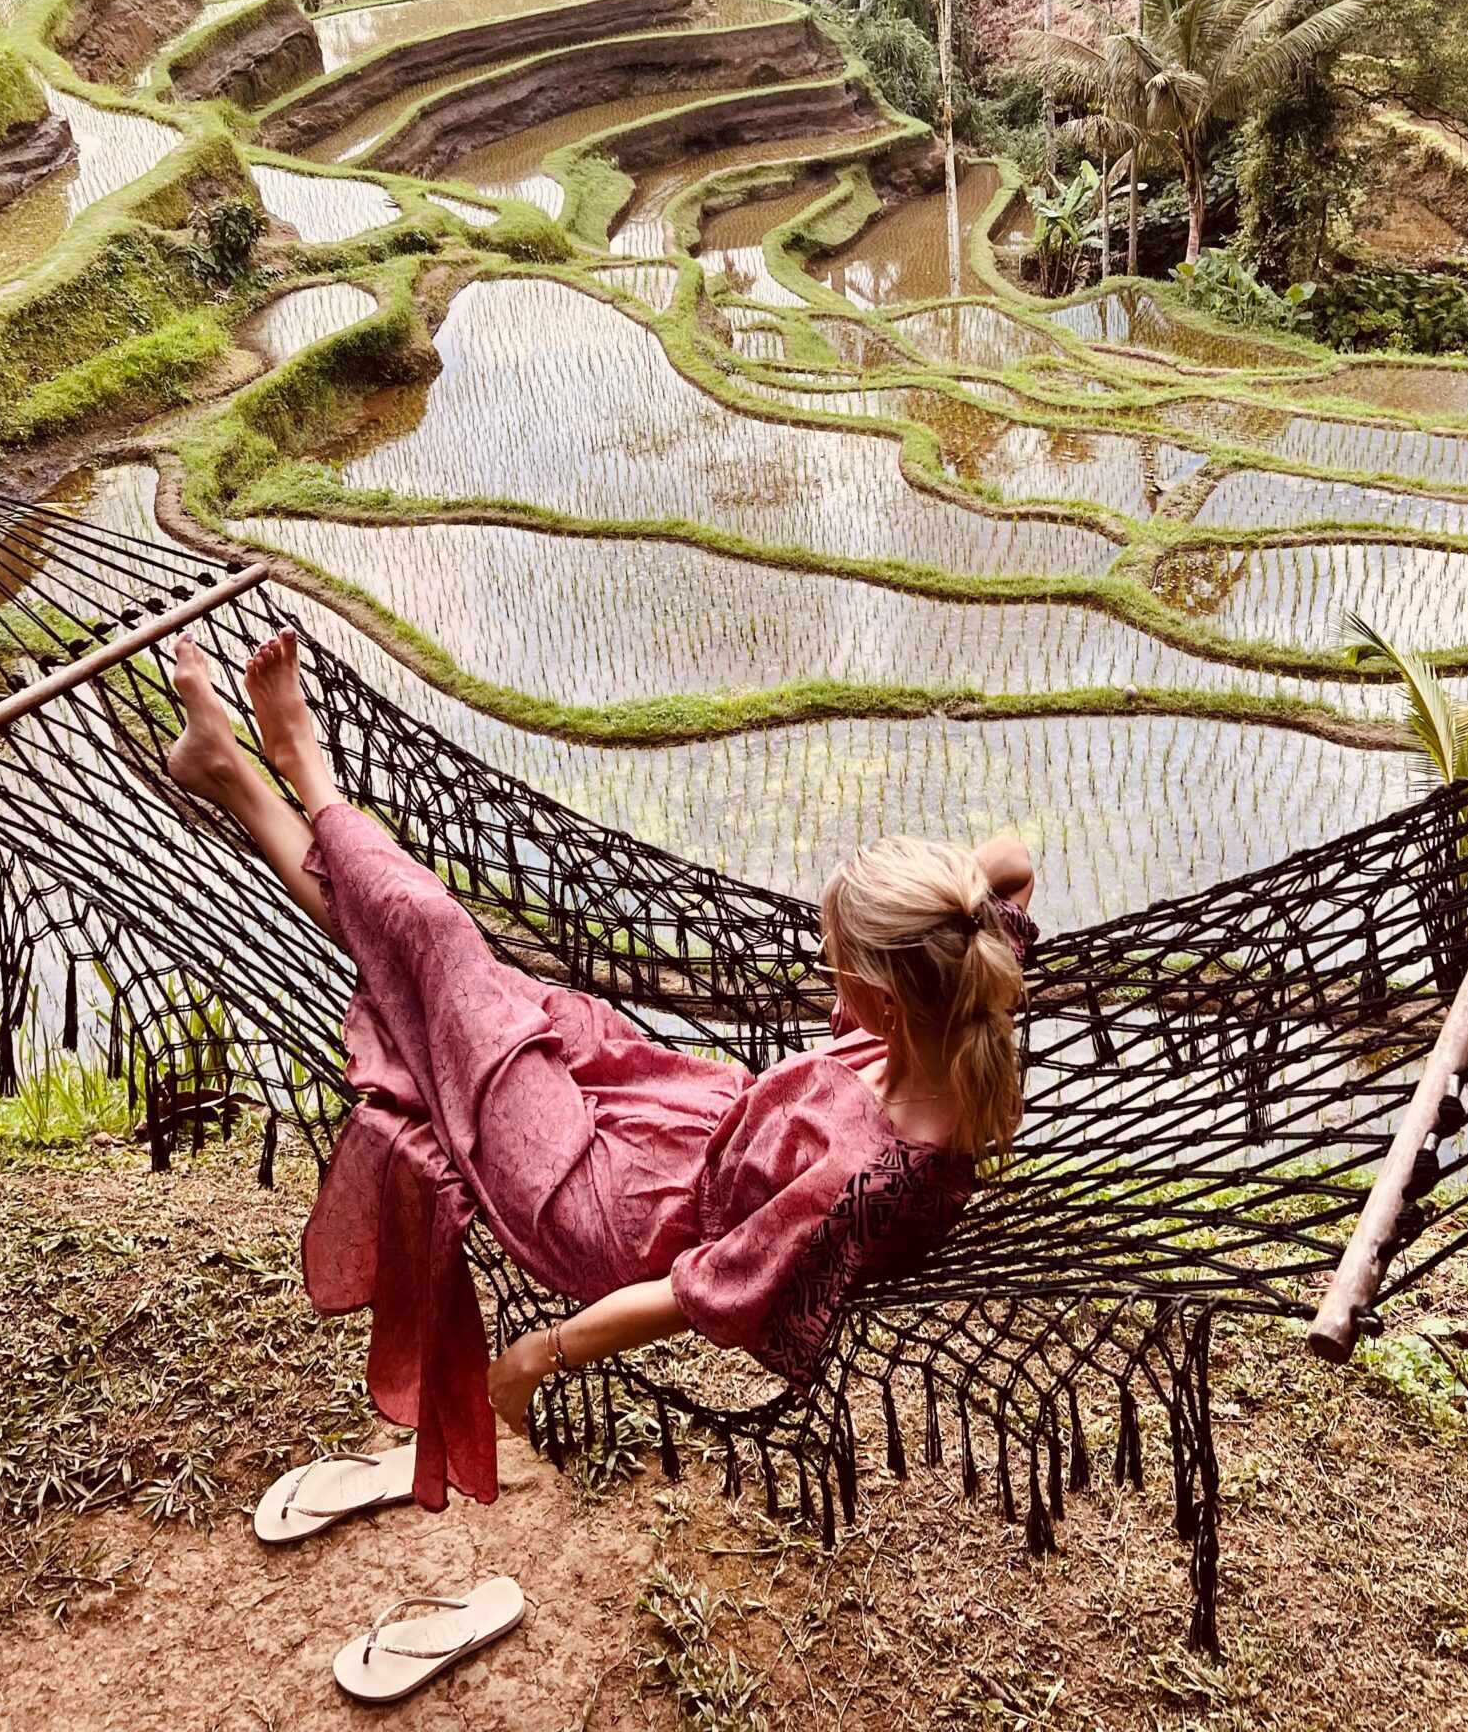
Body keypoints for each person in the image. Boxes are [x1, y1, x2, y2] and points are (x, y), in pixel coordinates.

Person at [168, 627, 1036, 1512]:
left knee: (435, 946)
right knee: (447, 986)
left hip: (599, 1202)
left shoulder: (860, 1172)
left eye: (837, 957)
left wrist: (533, 1360)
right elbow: (1011, 863)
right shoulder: (960, 995)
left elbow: (688, 1296)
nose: (824, 968)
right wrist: (927, 906)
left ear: (888, 998)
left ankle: (297, 762)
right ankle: (231, 774)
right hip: (671, 1112)